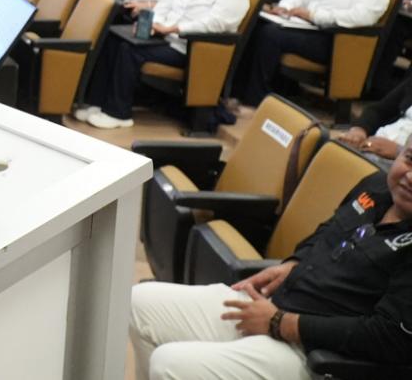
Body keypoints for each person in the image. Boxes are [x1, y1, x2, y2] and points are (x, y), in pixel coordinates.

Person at [129, 140, 412, 380]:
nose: (409, 177)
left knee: (169, 364)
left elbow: (389, 337)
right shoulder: (376, 186)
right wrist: (293, 264)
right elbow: (327, 231)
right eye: (409, 159)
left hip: (312, 352)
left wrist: (282, 323)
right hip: (274, 304)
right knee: (139, 303)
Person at [79, 0, 248, 129]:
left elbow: (215, 24)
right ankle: (97, 104)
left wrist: (174, 28)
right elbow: (166, 3)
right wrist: (154, 24)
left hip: (192, 49)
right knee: (113, 38)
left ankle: (118, 113)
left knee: (129, 50)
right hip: (164, 36)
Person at [237, 0, 390, 106]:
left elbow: (360, 17)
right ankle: (238, 89)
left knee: (271, 34)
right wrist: (285, 7)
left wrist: (313, 15)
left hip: (335, 40)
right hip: (305, 27)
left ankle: (255, 98)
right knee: (257, 24)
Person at [337, 74, 412, 168]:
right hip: (370, 145)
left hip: (402, 165)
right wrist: (359, 130)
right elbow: (379, 110)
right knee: (328, 150)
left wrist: (399, 151)